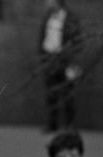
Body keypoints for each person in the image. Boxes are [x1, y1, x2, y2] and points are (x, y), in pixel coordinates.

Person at [38, 0, 81, 132]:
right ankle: (52, 124)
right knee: (51, 93)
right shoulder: (48, 16)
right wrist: (42, 55)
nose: (46, 3)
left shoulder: (71, 17)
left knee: (68, 93)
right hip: (49, 58)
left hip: (65, 59)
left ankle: (69, 125)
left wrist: (72, 60)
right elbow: (42, 36)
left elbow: (77, 40)